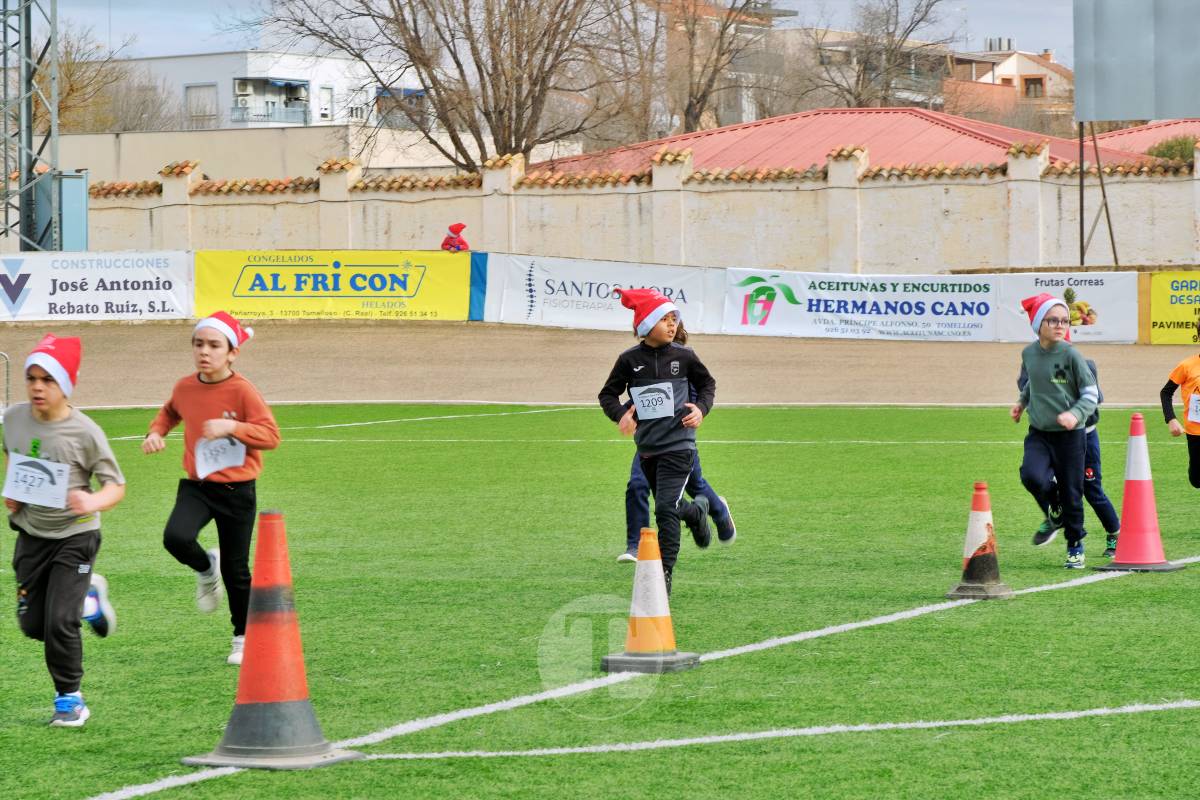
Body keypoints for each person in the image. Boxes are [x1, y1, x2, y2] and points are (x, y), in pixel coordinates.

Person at [143, 312, 280, 665]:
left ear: (232, 353)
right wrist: (156, 432)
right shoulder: (184, 387)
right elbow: (170, 412)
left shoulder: (243, 391)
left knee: (236, 570)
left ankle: (242, 636)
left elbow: (271, 437)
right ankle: (206, 568)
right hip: (197, 486)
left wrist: (232, 428)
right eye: (198, 344)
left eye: (214, 345)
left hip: (237, 491)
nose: (205, 351)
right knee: (175, 537)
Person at [5, 334, 125, 726]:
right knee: (33, 625)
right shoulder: (13, 419)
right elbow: (15, 457)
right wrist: (14, 494)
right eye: (32, 378)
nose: (38, 387)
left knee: (59, 623)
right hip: (31, 534)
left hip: (76, 535)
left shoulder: (86, 432)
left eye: (49, 380)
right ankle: (89, 600)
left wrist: (91, 501)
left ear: (66, 385)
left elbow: (115, 486)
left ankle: (70, 700)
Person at [599, 288, 715, 594]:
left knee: (664, 508)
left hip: (680, 445)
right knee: (671, 505)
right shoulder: (628, 360)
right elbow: (607, 394)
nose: (671, 325)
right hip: (648, 449)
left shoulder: (685, 356)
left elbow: (707, 384)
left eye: (673, 319)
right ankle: (696, 512)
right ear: (646, 324)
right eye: (663, 319)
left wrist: (701, 410)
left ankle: (664, 574)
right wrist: (621, 414)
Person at [1011, 294, 1099, 569]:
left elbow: (1090, 393)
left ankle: (1075, 543)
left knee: (1073, 492)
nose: (1060, 325)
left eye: (1064, 320)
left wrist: (1074, 414)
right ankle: (1056, 510)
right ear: (1039, 324)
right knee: (1031, 475)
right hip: (1039, 431)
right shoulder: (1029, 354)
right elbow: (1032, 384)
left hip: (1070, 436)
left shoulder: (1072, 355)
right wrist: (1021, 403)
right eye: (1053, 320)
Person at [1019, 358, 1120, 558]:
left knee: (1092, 489)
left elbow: (1095, 398)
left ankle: (1115, 532)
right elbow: (1026, 393)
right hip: (1051, 436)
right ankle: (1056, 514)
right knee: (1038, 477)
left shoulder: (1085, 365)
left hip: (1085, 436)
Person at [1160, 317, 1200, 489]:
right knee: (1197, 479)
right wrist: (1171, 419)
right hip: (1195, 430)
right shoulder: (1187, 366)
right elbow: (1166, 392)